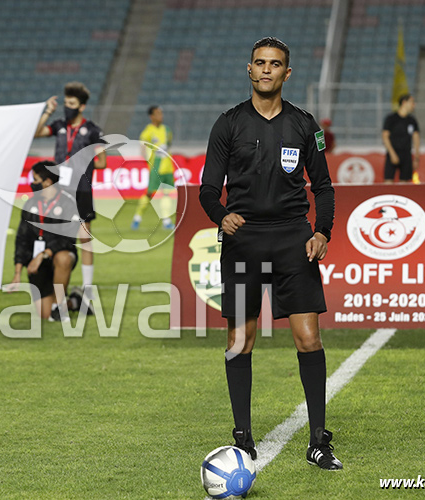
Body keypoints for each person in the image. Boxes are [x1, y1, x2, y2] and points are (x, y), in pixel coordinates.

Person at [199, 37, 341, 470]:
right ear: (249, 69)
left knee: (308, 338)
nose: (266, 70)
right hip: (243, 242)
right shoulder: (227, 124)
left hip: (292, 241)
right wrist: (220, 216)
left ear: (286, 73)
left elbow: (323, 187)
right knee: (239, 341)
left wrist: (322, 231)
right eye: (259, 63)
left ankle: (319, 440)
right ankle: (242, 437)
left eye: (275, 64)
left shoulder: (304, 124)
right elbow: (207, 189)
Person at [35, 82, 106, 314]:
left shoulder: (93, 130)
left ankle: (87, 290)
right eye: (66, 104)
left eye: (72, 104)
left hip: (82, 189)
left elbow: (103, 162)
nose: (67, 108)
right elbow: (36, 133)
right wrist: (47, 111)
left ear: (82, 106)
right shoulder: (59, 125)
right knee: (57, 239)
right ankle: (56, 293)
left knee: (84, 238)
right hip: (60, 190)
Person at [7, 160, 79, 321]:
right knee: (44, 315)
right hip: (37, 263)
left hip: (57, 256)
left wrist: (43, 254)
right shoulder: (30, 204)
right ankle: (75, 301)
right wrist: (17, 272)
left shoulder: (68, 203)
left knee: (64, 257)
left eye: (35, 180)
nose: (32, 184)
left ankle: (59, 306)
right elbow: (22, 239)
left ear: (47, 182)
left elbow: (67, 238)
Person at [132, 105, 175, 231]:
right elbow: (143, 150)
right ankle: (137, 217)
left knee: (167, 194)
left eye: (161, 113)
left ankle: (166, 220)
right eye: (157, 113)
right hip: (156, 167)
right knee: (150, 193)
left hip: (168, 167)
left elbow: (169, 144)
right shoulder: (147, 132)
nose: (160, 116)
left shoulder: (167, 130)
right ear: (151, 116)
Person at [382, 94, 420, 183]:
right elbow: (385, 136)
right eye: (412, 102)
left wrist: (416, 158)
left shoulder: (412, 120)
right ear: (404, 102)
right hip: (393, 153)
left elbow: (416, 138)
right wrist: (392, 154)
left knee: (405, 184)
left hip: (406, 155)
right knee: (388, 182)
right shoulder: (391, 119)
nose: (414, 105)